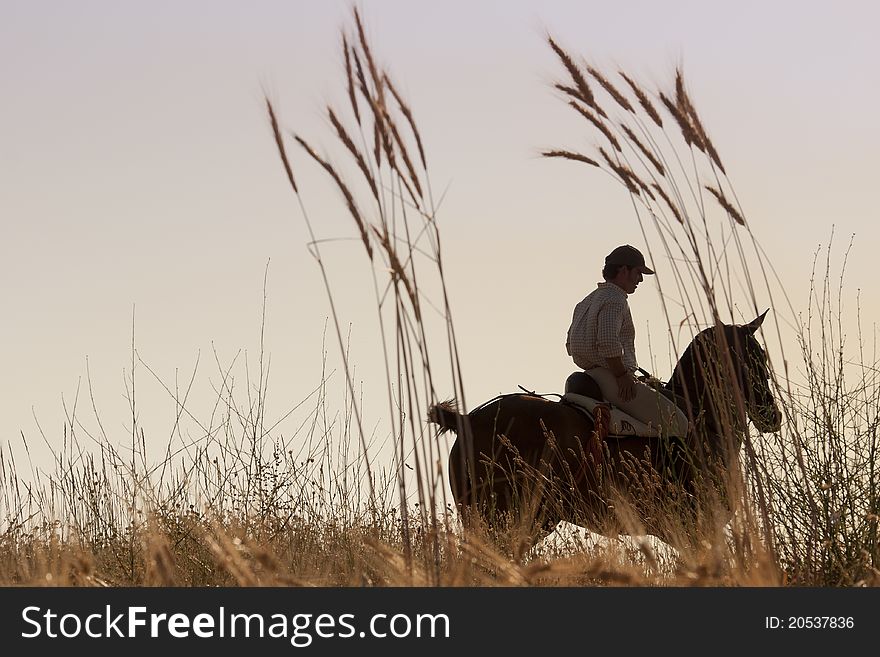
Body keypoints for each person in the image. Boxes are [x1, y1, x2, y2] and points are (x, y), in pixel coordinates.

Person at [565, 244, 689, 438]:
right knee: (679, 424)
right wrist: (622, 375)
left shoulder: (586, 301)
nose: (640, 279)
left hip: (589, 375)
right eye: (638, 273)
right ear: (624, 270)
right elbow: (607, 342)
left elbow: (570, 346)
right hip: (612, 378)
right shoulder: (615, 298)